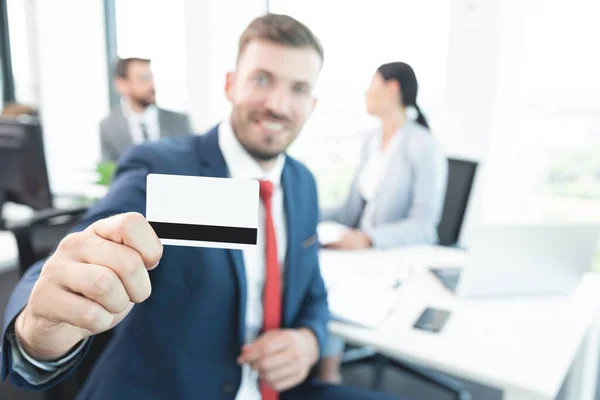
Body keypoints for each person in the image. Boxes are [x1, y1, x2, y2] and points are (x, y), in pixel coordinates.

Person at [1, 14, 405, 400]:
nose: (278, 105)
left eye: (298, 89)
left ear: (312, 104)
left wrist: (311, 340)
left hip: (272, 389)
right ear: (230, 85)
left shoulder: (303, 184)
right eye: (261, 79)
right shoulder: (163, 167)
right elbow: (85, 245)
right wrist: (37, 325)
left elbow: (314, 291)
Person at [318, 62, 448, 382]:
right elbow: (349, 211)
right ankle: (325, 378)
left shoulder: (422, 145)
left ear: (392, 89)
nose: (366, 92)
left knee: (337, 295)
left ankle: (329, 377)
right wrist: (302, 208)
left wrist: (369, 238)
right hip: (362, 256)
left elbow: (424, 226)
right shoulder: (370, 140)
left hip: (395, 258)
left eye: (372, 84)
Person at [100, 57, 192, 162]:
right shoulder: (108, 127)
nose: (151, 84)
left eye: (151, 77)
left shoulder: (179, 121)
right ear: (122, 85)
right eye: (144, 78)